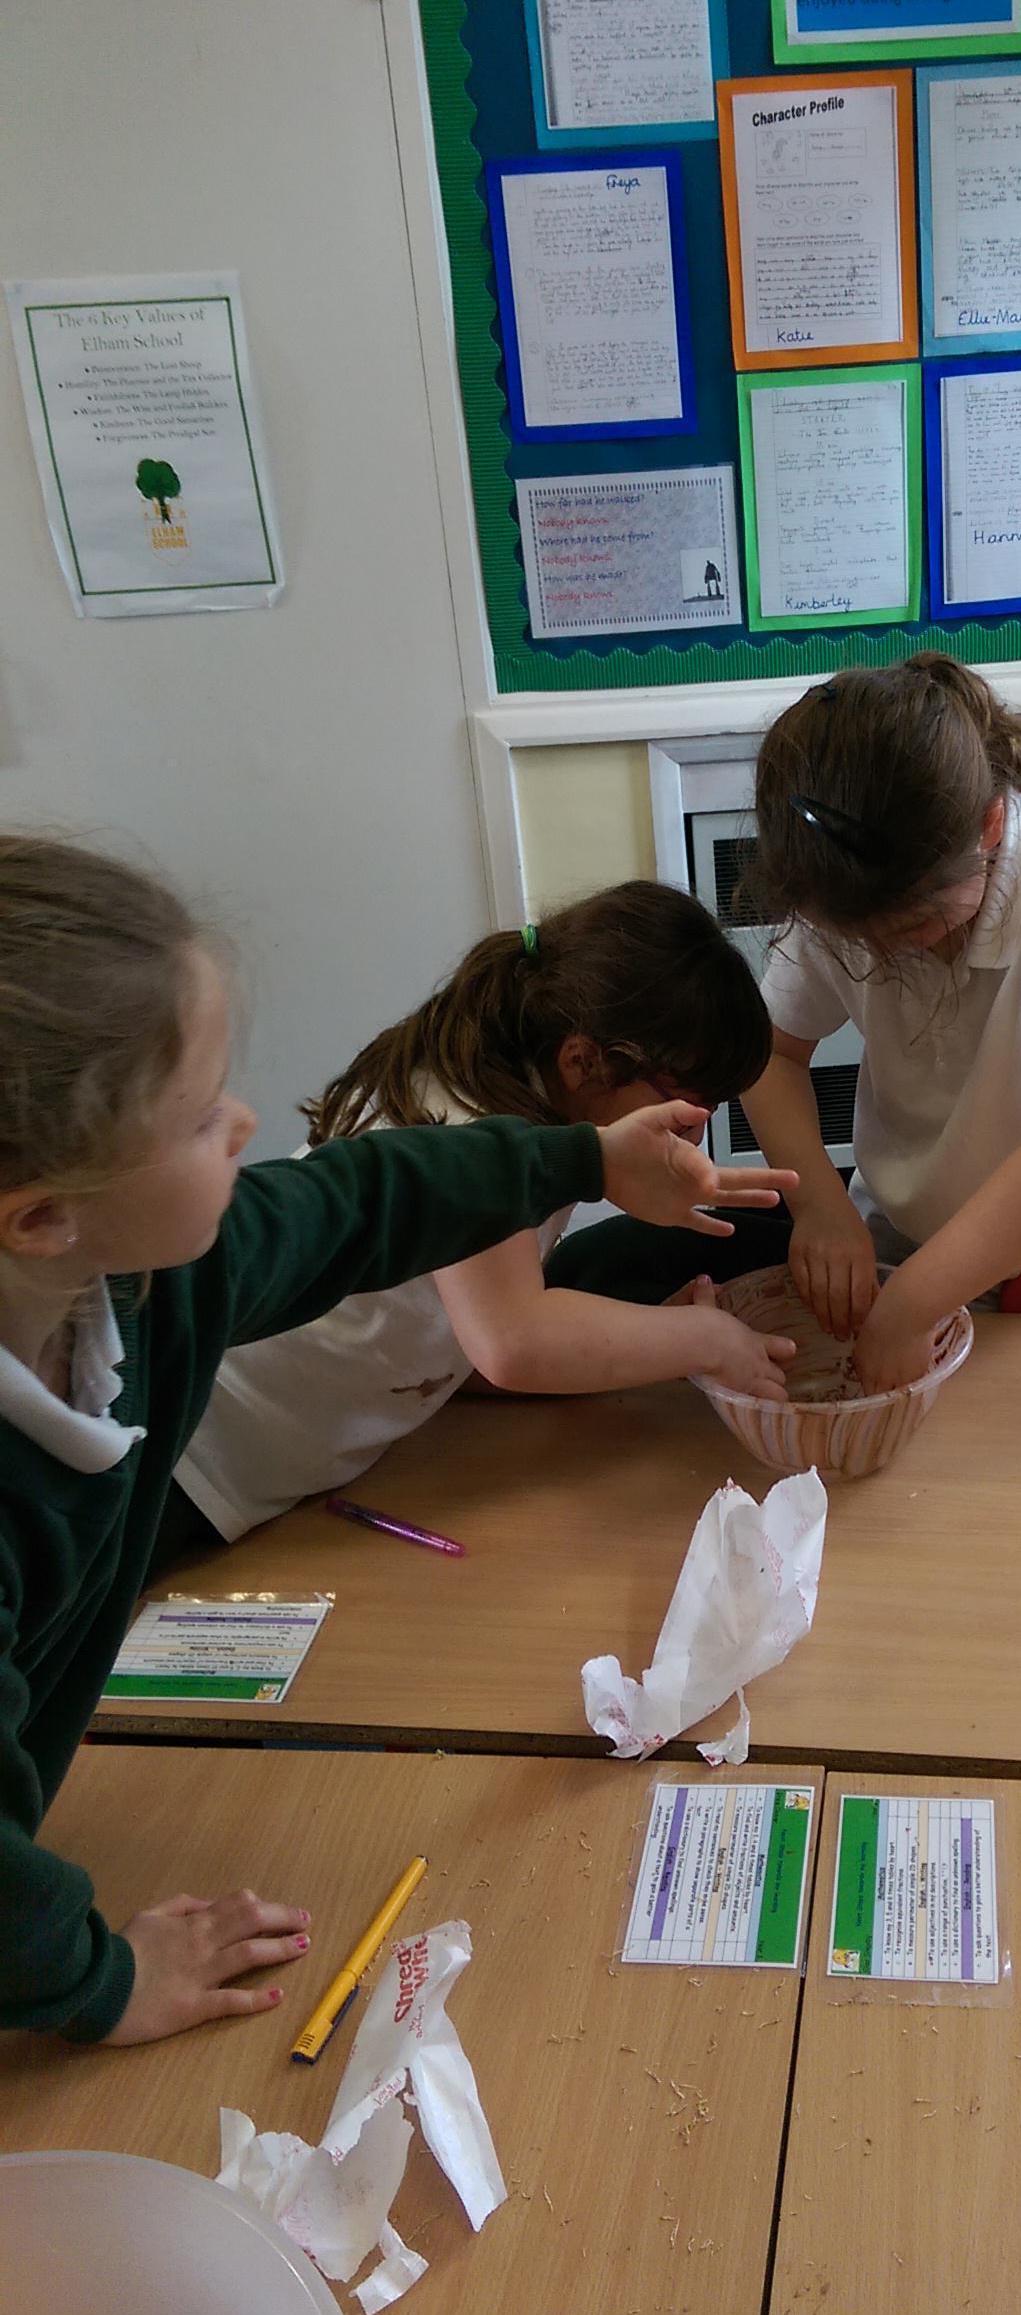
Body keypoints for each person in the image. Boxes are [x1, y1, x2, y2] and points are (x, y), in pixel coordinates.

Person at [0, 837, 792, 2045]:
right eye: (203, 1115)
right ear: (45, 1215)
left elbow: (366, 1201)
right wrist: (95, 1983)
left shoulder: (147, 1282)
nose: (247, 1121)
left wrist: (585, 1159)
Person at [168, 882, 794, 1556]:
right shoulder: (470, 1121)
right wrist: (706, 1338)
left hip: (277, 1466)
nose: (693, 1137)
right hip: (198, 1455)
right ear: (582, 1062)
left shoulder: (540, 1106)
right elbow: (513, 1342)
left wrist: (651, 1346)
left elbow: (473, 1340)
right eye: (686, 1109)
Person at [739, 652, 1021, 1392]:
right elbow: (769, 1053)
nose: (882, 952)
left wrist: (913, 1305)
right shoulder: (838, 879)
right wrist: (820, 1205)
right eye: (854, 937)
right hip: (902, 1232)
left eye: (911, 926)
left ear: (991, 823)